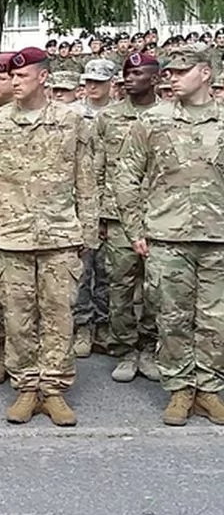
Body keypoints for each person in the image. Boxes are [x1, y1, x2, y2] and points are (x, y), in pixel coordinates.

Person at [0, 47, 98, 426]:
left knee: (59, 316)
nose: (14, 83)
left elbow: (86, 180)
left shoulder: (72, 122)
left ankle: (54, 389)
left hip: (60, 235)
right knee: (18, 317)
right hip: (10, 236)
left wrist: (87, 235)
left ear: (43, 77)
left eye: (21, 77)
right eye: (11, 77)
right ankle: (26, 386)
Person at [115, 46, 224, 425]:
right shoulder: (153, 121)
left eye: (180, 72)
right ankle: (179, 388)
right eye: (169, 73)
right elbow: (127, 176)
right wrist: (135, 227)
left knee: (216, 318)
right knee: (172, 317)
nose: (171, 78)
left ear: (205, 73)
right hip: (167, 235)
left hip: (218, 236)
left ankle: (208, 388)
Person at [96, 51, 160, 383]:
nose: (129, 77)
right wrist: (99, 217)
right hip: (118, 215)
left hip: (162, 215)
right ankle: (125, 349)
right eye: (126, 72)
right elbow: (98, 168)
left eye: (137, 73)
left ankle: (149, 346)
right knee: (119, 285)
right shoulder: (108, 117)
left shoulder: (168, 116)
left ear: (155, 78)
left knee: (155, 287)